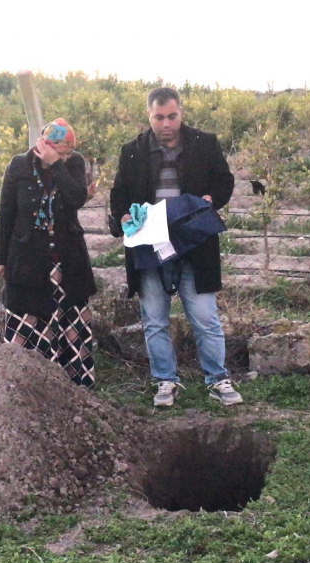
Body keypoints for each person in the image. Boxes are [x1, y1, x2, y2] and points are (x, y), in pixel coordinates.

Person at [109, 87, 242, 407]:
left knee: (204, 316)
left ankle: (218, 378)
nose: (166, 123)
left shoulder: (204, 144)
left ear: (180, 113)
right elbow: (119, 194)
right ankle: (165, 381)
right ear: (149, 116)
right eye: (159, 117)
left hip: (194, 242)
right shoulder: (132, 151)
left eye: (172, 116)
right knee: (154, 319)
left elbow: (224, 182)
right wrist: (124, 214)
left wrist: (211, 199)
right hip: (150, 247)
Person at [0, 119, 97, 387]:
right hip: (28, 262)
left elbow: (76, 198)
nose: (65, 156)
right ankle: (25, 388)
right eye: (60, 151)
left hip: (67, 263)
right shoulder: (19, 165)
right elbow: (6, 214)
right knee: (27, 316)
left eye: (68, 152)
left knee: (70, 320)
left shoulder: (73, 164)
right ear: (44, 144)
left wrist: (58, 164)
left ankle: (73, 387)